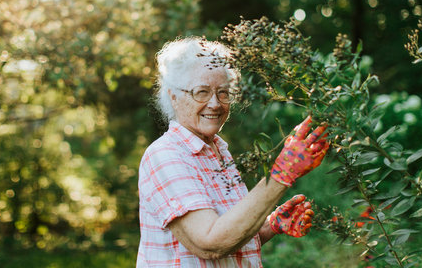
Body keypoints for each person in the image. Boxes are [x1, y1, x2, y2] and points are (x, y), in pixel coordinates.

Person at [137, 37, 329, 267]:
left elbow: (229, 241)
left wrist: (271, 225)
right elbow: (209, 243)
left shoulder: (218, 152)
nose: (215, 104)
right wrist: (282, 173)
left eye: (223, 92)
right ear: (174, 96)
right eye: (202, 92)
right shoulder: (166, 155)